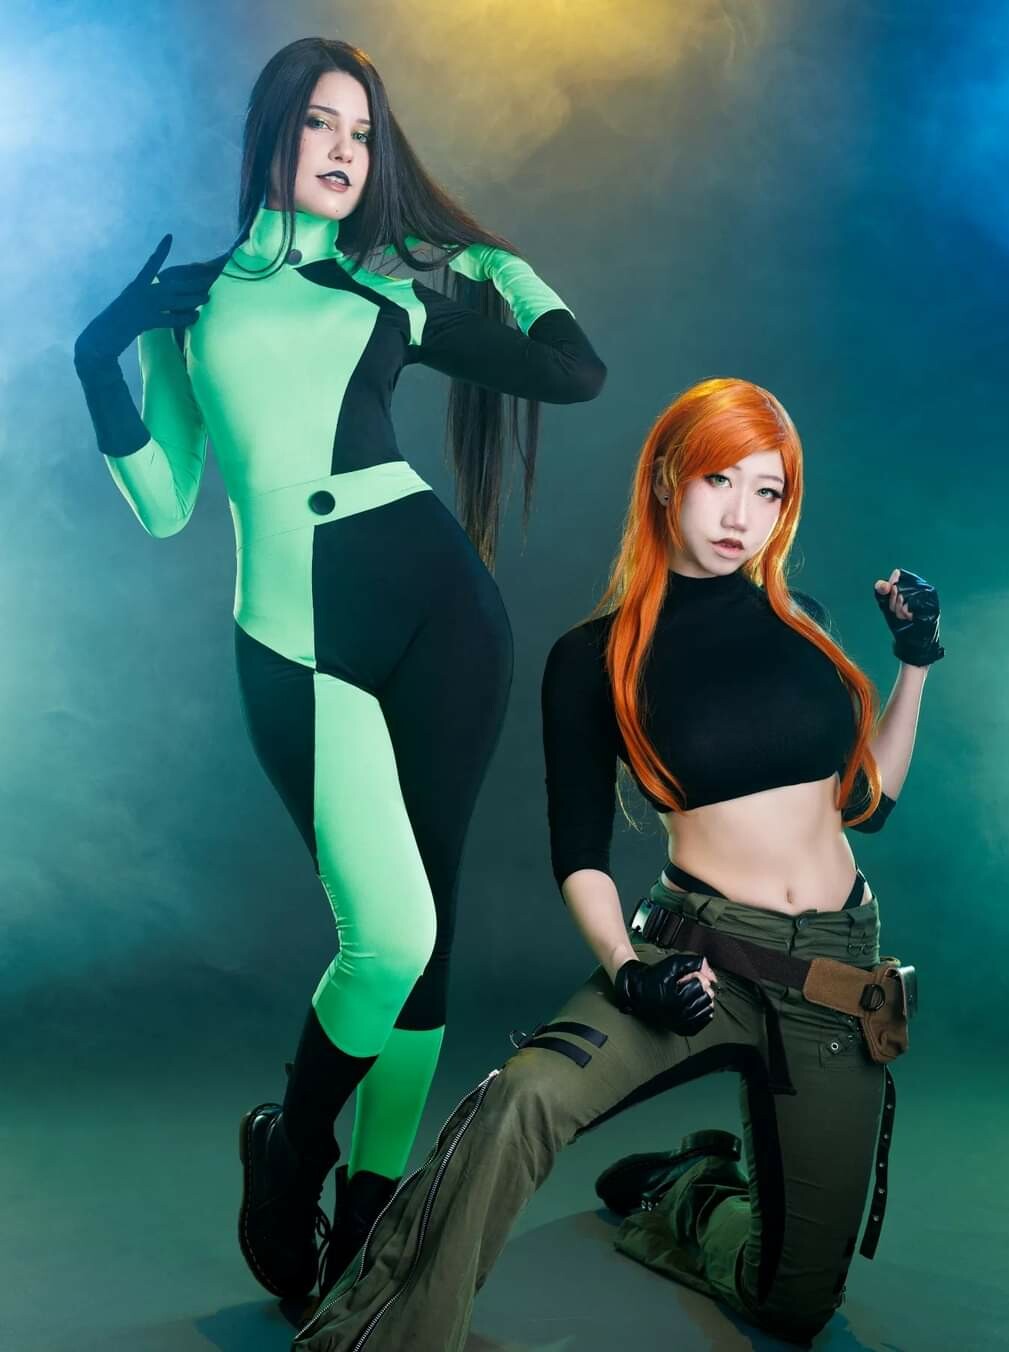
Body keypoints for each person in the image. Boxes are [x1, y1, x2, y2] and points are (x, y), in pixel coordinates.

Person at [71, 36, 605, 1304]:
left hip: (447, 623)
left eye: (363, 134)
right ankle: (290, 1154)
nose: (346, 151)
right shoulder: (191, 303)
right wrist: (98, 361)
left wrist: (491, 261)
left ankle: (371, 1216)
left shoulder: (388, 291)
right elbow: (165, 502)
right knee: (389, 932)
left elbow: (572, 369)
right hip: (297, 638)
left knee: (431, 938)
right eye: (322, 122)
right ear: (271, 132)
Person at [291, 377, 942, 1350]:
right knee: (523, 1096)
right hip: (700, 952)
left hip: (834, 969)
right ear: (668, 477)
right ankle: (381, 1336)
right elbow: (580, 852)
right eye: (720, 479)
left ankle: (688, 1190)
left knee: (796, 1306)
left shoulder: (801, 620)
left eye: (767, 491)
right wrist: (629, 968)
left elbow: (867, 806)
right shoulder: (592, 657)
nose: (741, 515)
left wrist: (915, 661)